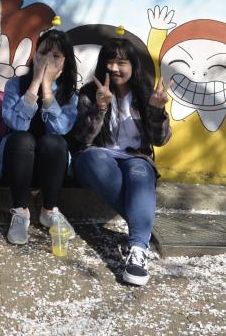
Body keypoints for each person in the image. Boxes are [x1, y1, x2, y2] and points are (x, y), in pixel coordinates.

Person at [70, 37, 171, 287]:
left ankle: (137, 251)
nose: (113, 68)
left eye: (121, 62)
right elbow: (81, 139)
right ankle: (141, 224)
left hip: (135, 157)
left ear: (133, 66)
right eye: (109, 61)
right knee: (94, 158)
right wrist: (100, 108)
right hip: (96, 157)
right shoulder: (89, 93)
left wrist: (156, 111)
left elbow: (159, 140)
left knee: (140, 171)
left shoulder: (145, 95)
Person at [0, 29, 79, 246]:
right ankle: (20, 211)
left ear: (65, 62)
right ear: (34, 55)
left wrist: (47, 90)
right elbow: (16, 124)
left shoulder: (69, 93)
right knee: (22, 138)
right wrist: (35, 83)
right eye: (43, 53)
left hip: (51, 168)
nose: (47, 60)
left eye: (56, 56)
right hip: (17, 164)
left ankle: (49, 210)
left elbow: (61, 129)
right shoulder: (15, 85)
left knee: (54, 141)